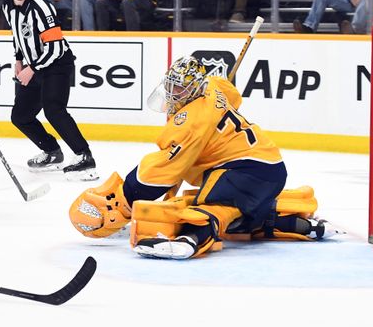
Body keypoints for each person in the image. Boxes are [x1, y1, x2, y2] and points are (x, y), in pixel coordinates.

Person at [68, 56, 332, 260]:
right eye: (172, 86)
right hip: (270, 166)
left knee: (211, 207)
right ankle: (299, 224)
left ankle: (191, 240)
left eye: (180, 89)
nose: (173, 93)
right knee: (237, 210)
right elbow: (232, 95)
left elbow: (164, 168)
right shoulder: (213, 86)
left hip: (245, 169)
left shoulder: (191, 121)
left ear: (193, 88)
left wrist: (126, 196)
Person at [2, 0, 98, 181]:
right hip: (33, 66)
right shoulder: (7, 4)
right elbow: (18, 35)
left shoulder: (41, 6)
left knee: (54, 109)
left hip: (57, 65)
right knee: (20, 116)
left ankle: (84, 157)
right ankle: (52, 152)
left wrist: (31, 67)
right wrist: (19, 60)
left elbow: (54, 47)